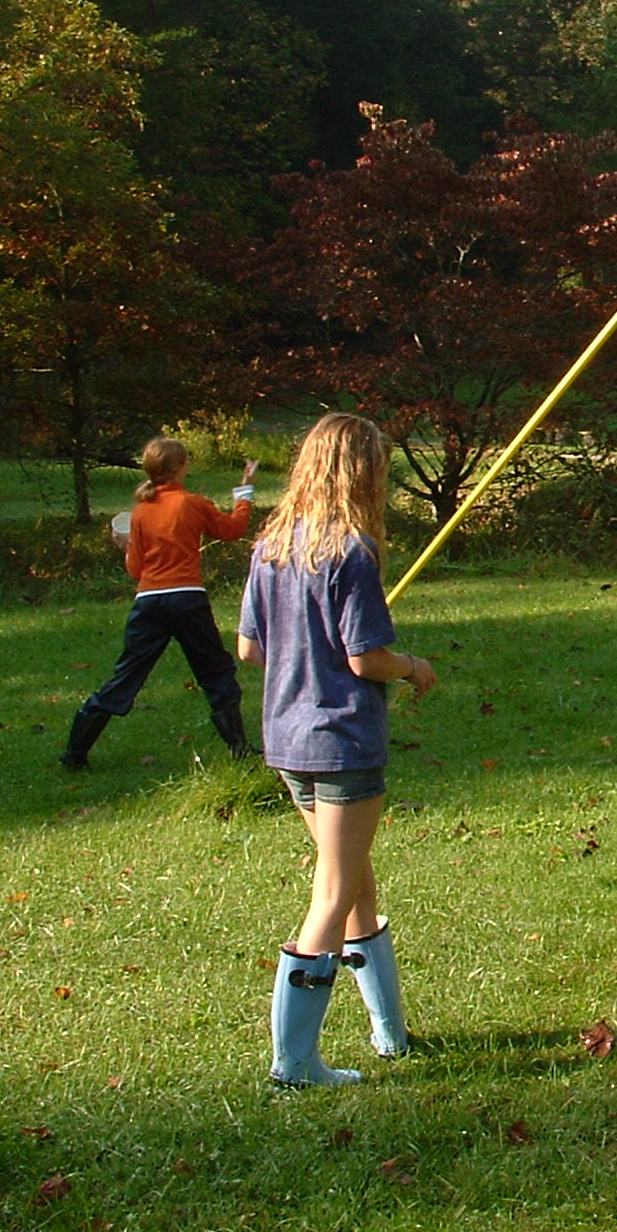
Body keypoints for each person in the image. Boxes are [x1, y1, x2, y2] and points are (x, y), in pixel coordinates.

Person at [237, 412, 437, 1088]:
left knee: (354, 882)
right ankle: (294, 1064)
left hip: (288, 740)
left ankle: (391, 1034)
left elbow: (250, 648)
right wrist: (412, 668)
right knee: (332, 891)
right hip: (342, 743)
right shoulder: (351, 552)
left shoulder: (271, 546)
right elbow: (365, 658)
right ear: (361, 473)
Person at [60, 437, 258, 770]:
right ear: (180, 467)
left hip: (149, 602)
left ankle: (74, 754)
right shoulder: (191, 503)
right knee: (215, 671)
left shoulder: (141, 512)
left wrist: (126, 547)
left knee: (126, 677)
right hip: (187, 598)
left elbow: (136, 570)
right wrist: (245, 490)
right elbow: (233, 529)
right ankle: (239, 749)